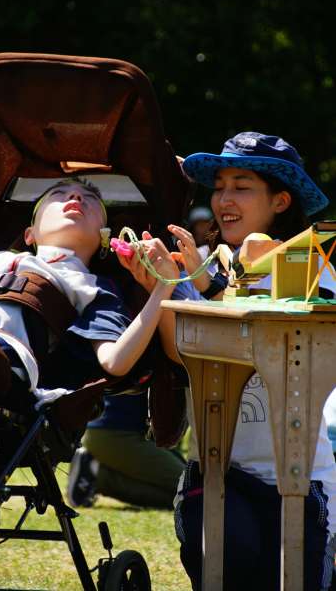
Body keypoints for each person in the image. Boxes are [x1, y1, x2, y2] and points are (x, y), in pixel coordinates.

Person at [0, 177, 179, 584]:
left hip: (2, 367)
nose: (74, 198)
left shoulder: (94, 287)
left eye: (89, 199)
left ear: (105, 238)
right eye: (59, 195)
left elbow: (115, 361)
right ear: (29, 233)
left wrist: (162, 290)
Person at [118, 133, 336, 591]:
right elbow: (183, 355)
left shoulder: (312, 265)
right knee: (228, 559)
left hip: (302, 479)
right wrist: (165, 286)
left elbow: (288, 342)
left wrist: (206, 290)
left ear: (280, 201)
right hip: (217, 472)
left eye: (241, 186)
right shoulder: (202, 264)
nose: (224, 199)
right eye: (219, 187)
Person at [67, 391, 185, 509]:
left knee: (184, 497)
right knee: (191, 489)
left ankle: (98, 476)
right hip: (115, 435)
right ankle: (97, 476)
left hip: (106, 432)